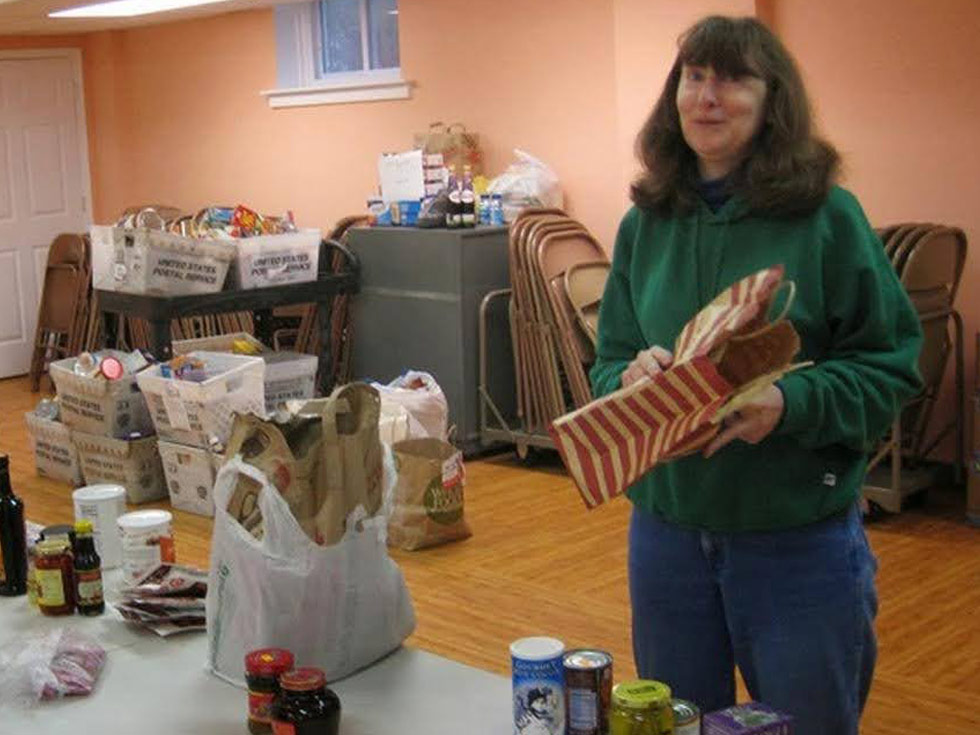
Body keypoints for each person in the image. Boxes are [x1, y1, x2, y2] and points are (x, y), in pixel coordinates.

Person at [590, 15, 923, 735]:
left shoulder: (828, 217)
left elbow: (891, 362)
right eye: (694, 76)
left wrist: (790, 400)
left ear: (774, 100)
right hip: (668, 537)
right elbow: (608, 360)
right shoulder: (644, 223)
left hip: (797, 538)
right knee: (679, 723)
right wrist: (629, 377)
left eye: (733, 78)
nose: (707, 96)